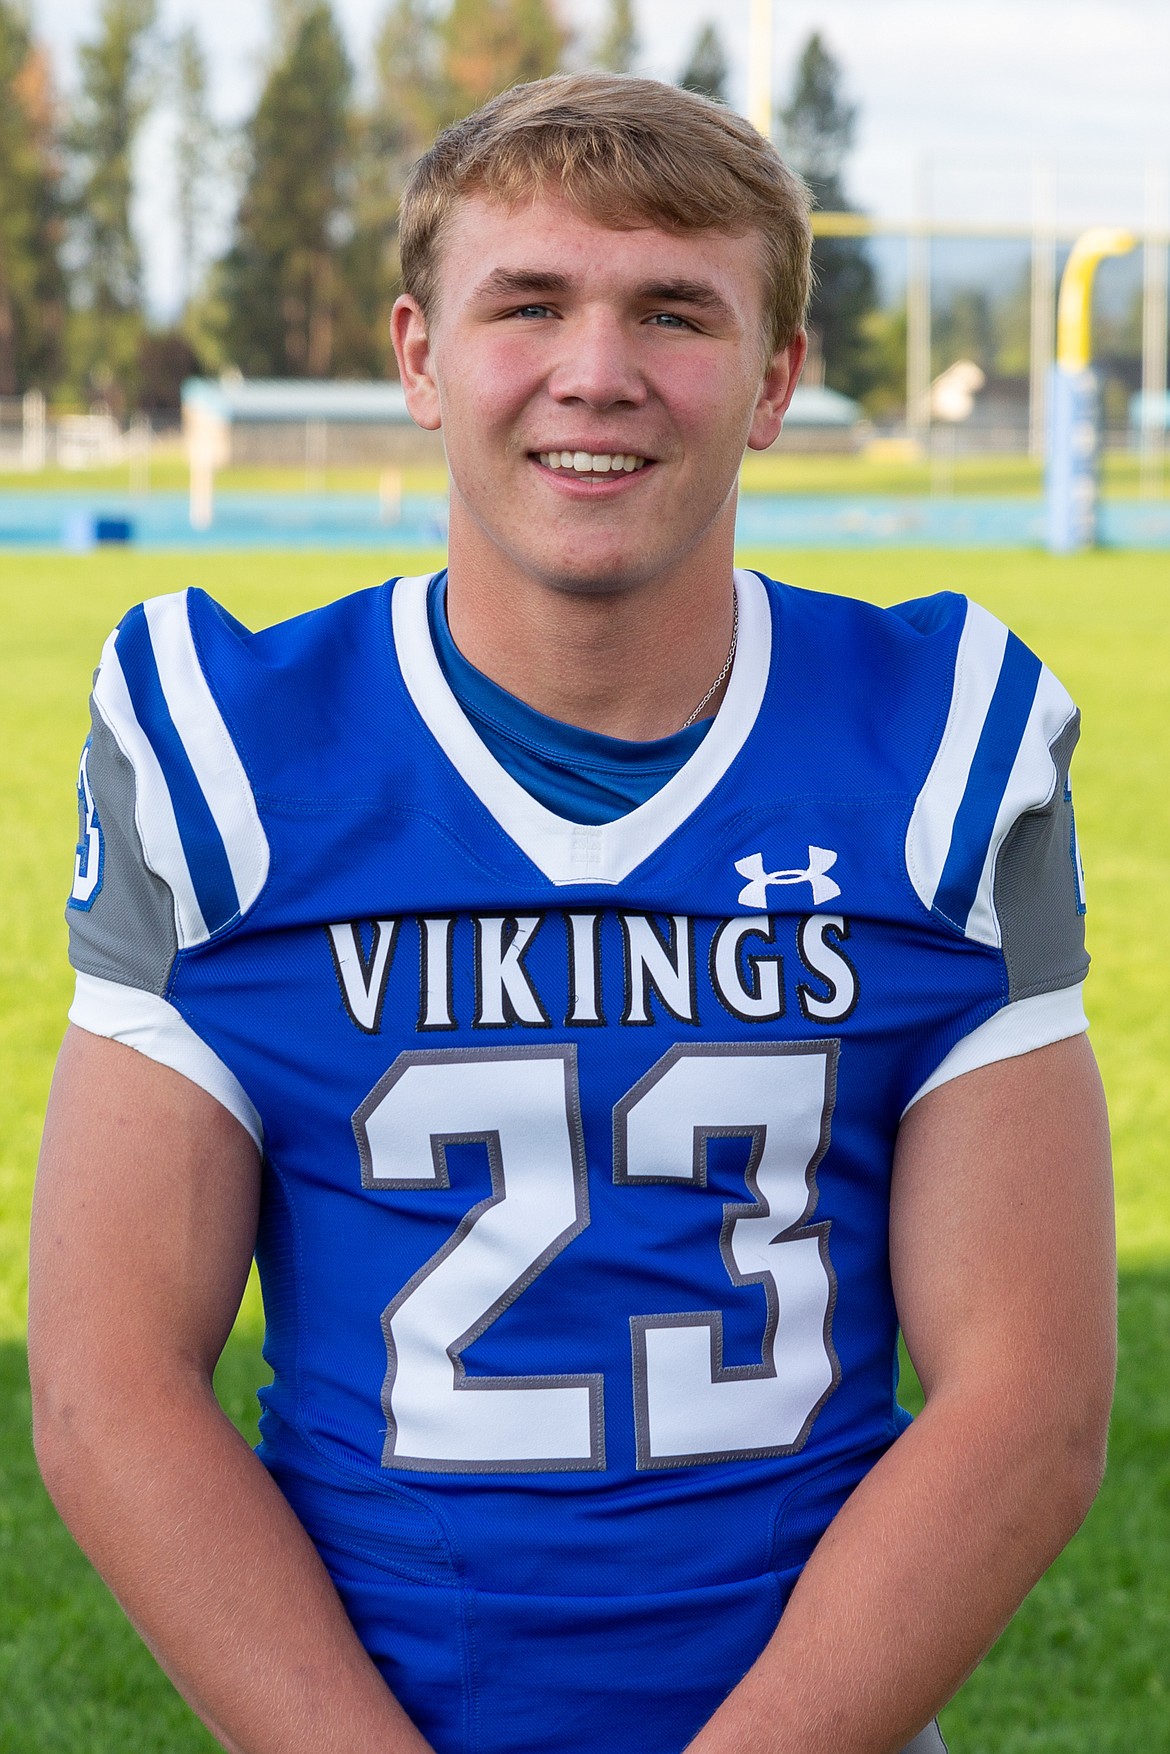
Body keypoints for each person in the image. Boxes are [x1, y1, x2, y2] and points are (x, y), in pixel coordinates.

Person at [29, 74, 1115, 1754]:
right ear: (417, 356)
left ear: (773, 381)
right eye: (524, 303)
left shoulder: (932, 751)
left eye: (673, 311)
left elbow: (1026, 1403)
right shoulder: (234, 751)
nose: (593, 370)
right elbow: (110, 1385)